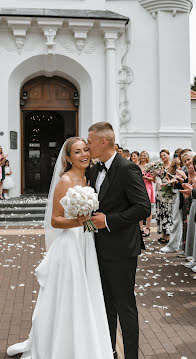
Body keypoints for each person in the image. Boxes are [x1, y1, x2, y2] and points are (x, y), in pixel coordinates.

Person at [7, 137, 114, 358]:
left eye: (86, 149)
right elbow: (56, 220)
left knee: (87, 291)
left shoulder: (88, 177)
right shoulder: (65, 181)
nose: (84, 154)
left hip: (86, 242)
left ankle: (85, 341)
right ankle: (62, 345)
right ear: (68, 158)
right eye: (77, 152)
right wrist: (81, 221)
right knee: (70, 295)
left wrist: (88, 221)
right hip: (70, 245)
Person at [87, 122, 151, 359]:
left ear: (103, 142)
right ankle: (109, 351)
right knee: (106, 305)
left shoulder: (127, 168)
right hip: (98, 248)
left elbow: (143, 207)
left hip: (122, 250)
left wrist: (109, 220)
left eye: (90, 141)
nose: (87, 146)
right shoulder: (94, 170)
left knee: (125, 306)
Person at [155, 149, 173, 244]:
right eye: (161, 155)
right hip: (159, 190)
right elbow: (155, 179)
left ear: (168, 155)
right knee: (161, 212)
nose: (163, 157)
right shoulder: (159, 166)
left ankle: (168, 234)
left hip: (167, 191)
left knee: (167, 212)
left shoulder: (171, 166)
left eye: (164, 155)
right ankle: (163, 233)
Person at [138, 151, 155, 237]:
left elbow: (154, 179)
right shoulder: (136, 166)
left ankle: (147, 228)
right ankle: (140, 227)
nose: (143, 156)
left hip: (147, 187)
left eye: (145, 155)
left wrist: (146, 177)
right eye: (141, 155)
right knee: (139, 207)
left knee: (148, 207)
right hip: (138, 187)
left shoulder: (150, 166)